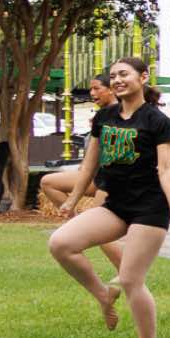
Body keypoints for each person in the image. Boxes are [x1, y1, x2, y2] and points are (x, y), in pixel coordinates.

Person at [47, 56, 170, 338]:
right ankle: (102, 294)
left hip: (149, 207)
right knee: (61, 244)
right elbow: (89, 164)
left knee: (130, 279)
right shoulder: (105, 116)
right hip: (116, 204)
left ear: (143, 77)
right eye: (113, 76)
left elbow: (167, 169)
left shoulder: (157, 121)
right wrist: (73, 199)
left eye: (124, 74)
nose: (117, 80)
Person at [40, 74, 128, 273]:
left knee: (101, 232)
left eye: (97, 88)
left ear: (111, 90)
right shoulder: (101, 116)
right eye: (91, 89)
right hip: (95, 177)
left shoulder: (120, 115)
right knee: (48, 182)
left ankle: (127, 273)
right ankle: (78, 225)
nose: (92, 93)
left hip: (111, 180)